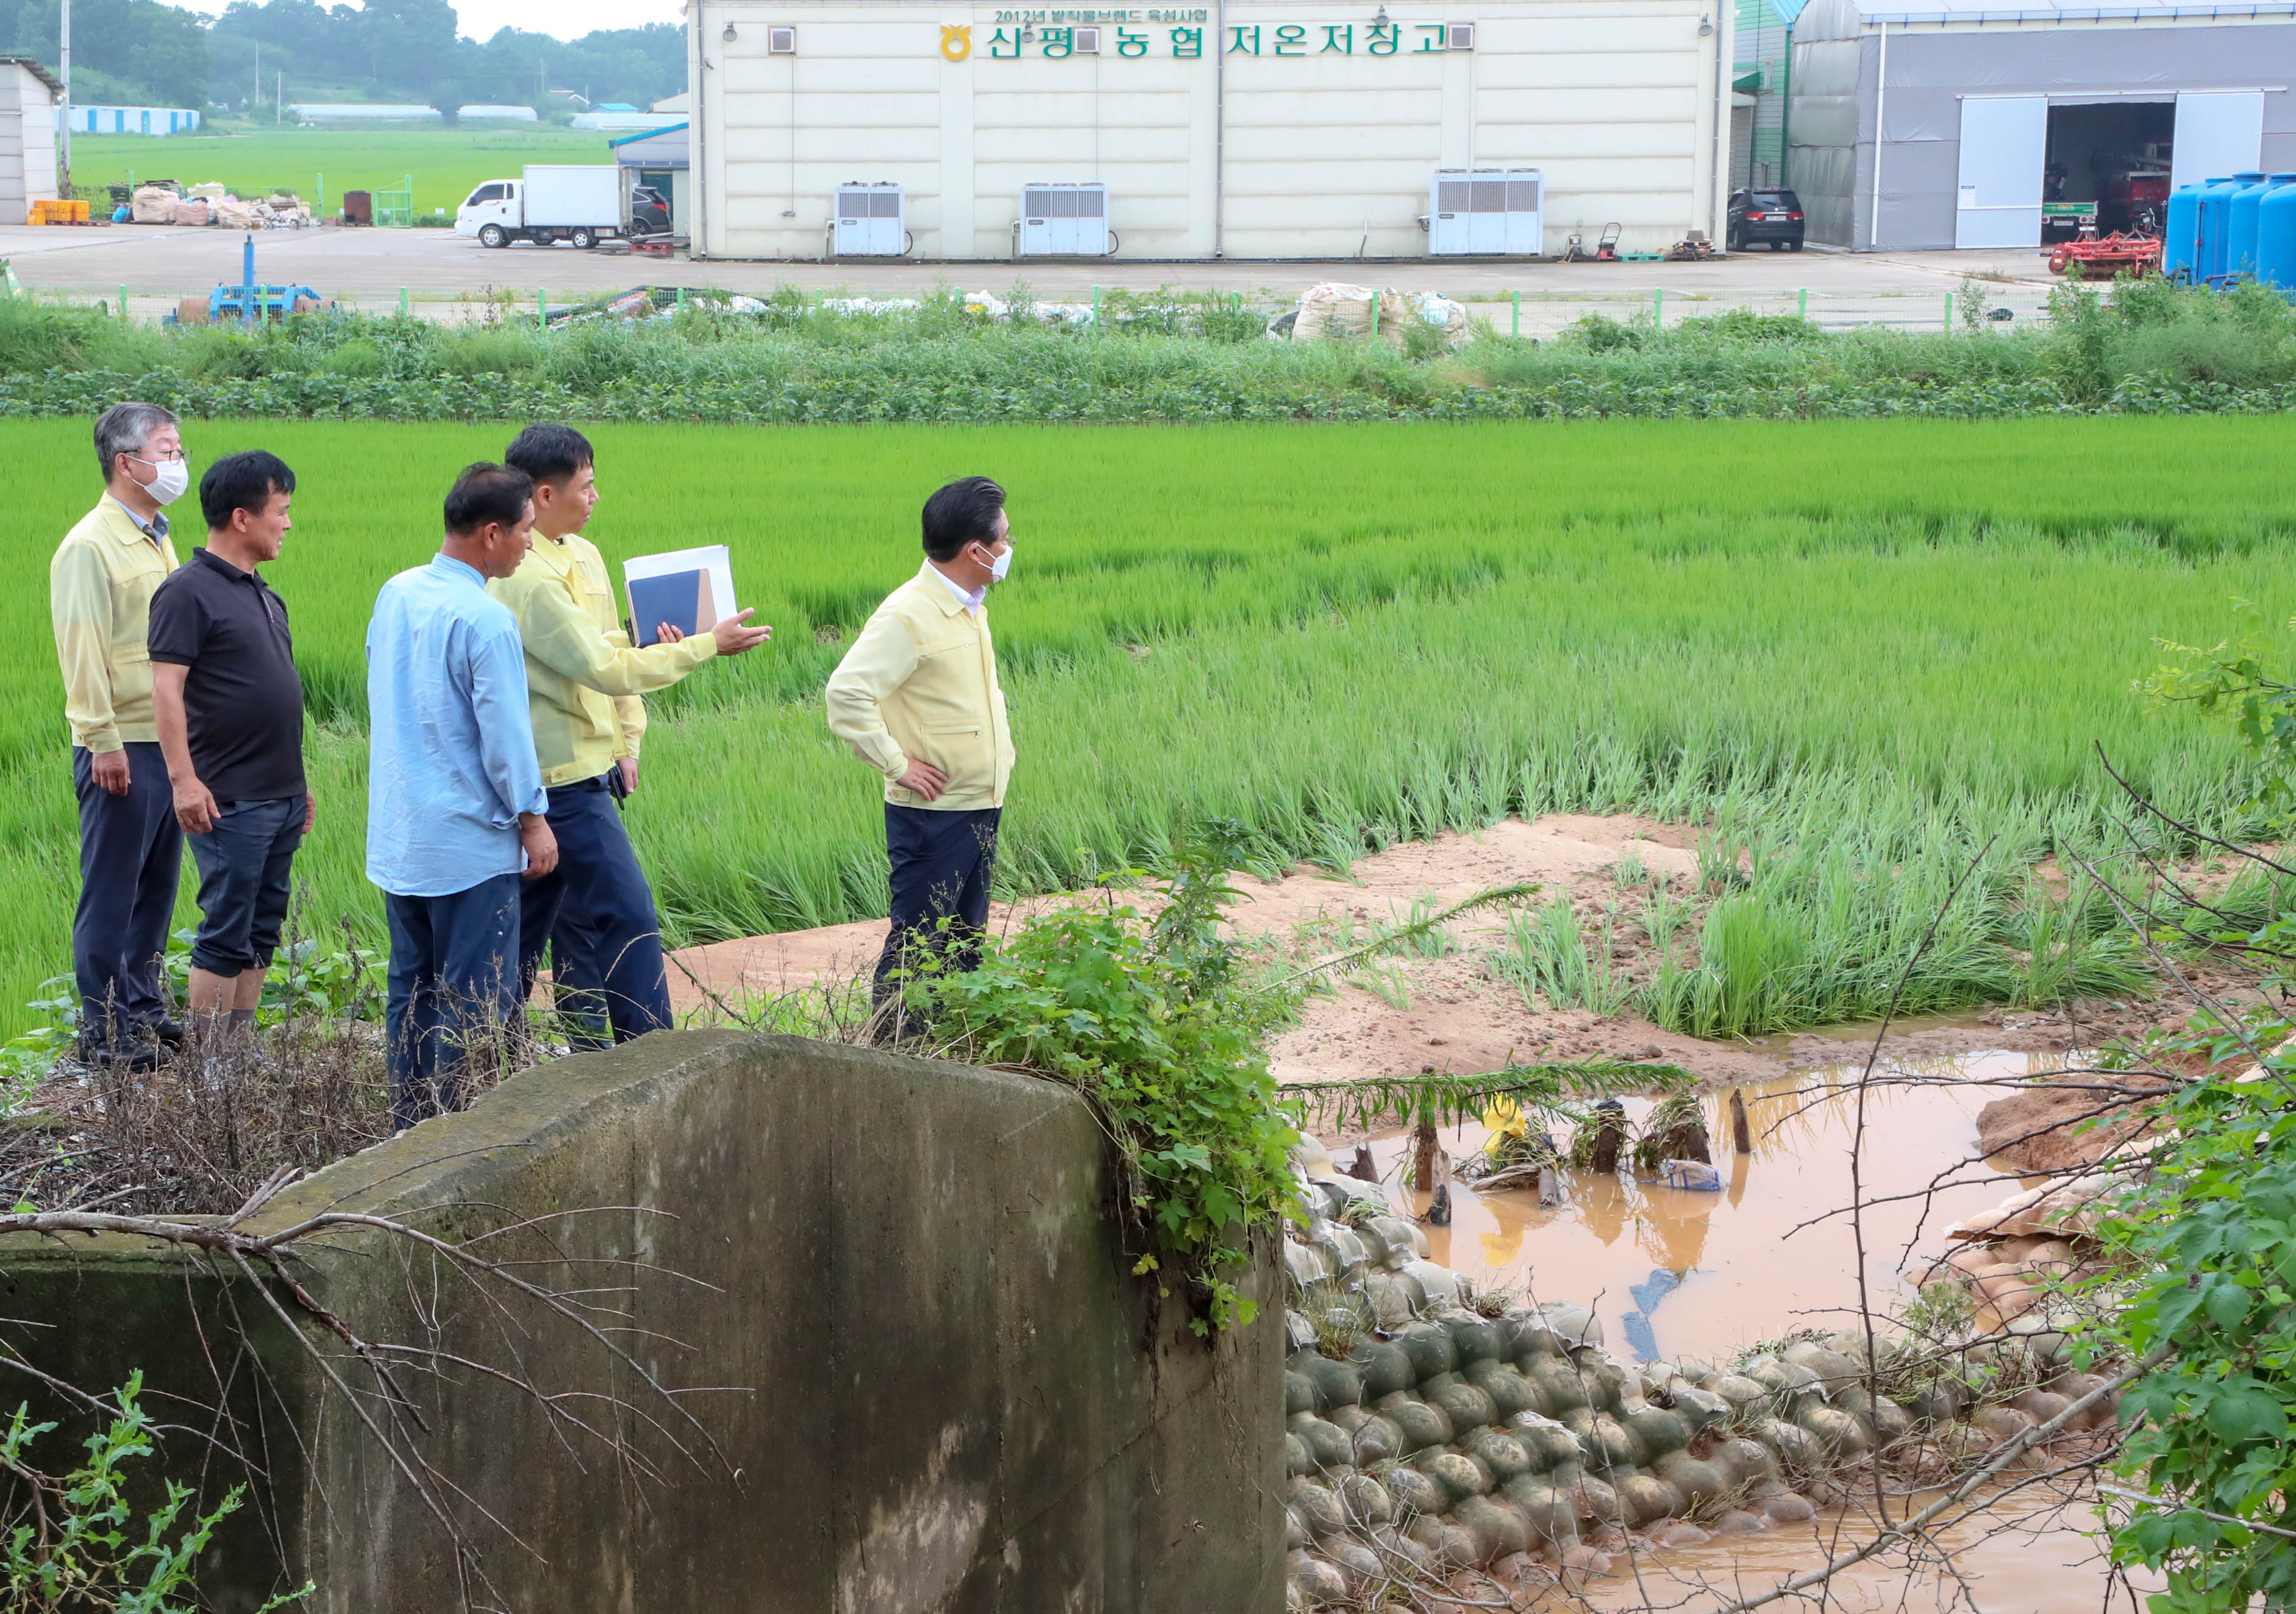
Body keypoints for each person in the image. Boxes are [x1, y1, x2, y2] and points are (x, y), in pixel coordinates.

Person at [493, 424, 772, 1048]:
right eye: (586, 486)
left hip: (591, 762)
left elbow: (607, 651)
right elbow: (602, 666)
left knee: (529, 924)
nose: (596, 497)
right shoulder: (527, 576)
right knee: (627, 911)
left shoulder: (580, 555)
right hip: (561, 776)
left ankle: (496, 1052)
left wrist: (628, 740)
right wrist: (707, 645)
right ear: (542, 494)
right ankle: (652, 1054)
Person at [365, 463, 557, 1132]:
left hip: (401, 838)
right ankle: (457, 1142)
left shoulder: (395, 592)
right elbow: (505, 739)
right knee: (473, 1001)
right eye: (527, 530)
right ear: (492, 532)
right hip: (469, 845)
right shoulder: (486, 617)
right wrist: (533, 820)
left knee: (410, 992)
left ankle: (408, 1132)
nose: (531, 543)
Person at [824, 476, 1017, 1030]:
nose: (1008, 548)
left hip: (980, 800)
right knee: (917, 947)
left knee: (964, 942)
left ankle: (955, 1052)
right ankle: (892, 1058)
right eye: (1003, 539)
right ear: (974, 551)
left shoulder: (968, 604)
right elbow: (846, 692)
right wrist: (897, 763)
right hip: (933, 816)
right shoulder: (908, 615)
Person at [148, 451, 312, 1054]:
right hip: (228, 798)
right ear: (243, 517)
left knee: (262, 927)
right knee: (226, 926)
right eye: (281, 511)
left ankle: (238, 1055)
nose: (287, 523)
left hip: (281, 794)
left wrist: (299, 786)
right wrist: (183, 780)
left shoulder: (264, 595)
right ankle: (211, 1068)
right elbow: (167, 689)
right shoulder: (186, 593)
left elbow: (276, 698)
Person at [50, 402, 189, 1068]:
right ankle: (103, 1027)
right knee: (113, 887)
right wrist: (100, 739)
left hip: (164, 739)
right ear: (125, 462)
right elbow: (81, 648)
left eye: (178, 448)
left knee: (157, 883)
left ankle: (142, 1006)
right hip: (121, 742)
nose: (176, 461)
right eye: (166, 449)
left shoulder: (156, 533)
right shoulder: (88, 545)